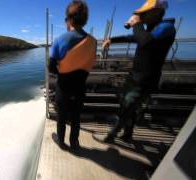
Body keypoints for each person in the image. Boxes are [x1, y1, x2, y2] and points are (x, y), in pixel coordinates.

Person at [93, 0, 176, 142]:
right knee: (126, 104)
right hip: (135, 75)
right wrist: (112, 40)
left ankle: (110, 136)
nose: (142, 15)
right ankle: (127, 134)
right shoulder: (151, 28)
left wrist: (136, 23)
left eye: (144, 13)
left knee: (127, 107)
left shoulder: (166, 27)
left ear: (157, 12)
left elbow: (145, 41)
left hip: (145, 78)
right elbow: (134, 37)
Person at [48, 0, 97, 149]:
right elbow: (90, 62)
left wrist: (62, 70)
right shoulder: (93, 42)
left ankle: (61, 142)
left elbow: (51, 67)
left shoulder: (59, 40)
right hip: (80, 87)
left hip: (63, 86)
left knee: (61, 117)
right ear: (85, 20)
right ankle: (74, 142)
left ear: (69, 19)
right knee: (76, 117)